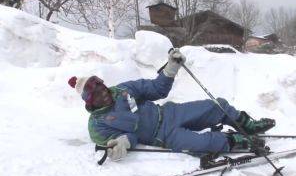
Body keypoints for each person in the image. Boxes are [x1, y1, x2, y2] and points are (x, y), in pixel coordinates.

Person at [68, 49, 275, 161]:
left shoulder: (122, 90)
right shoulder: (97, 125)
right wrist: (121, 143)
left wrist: (171, 68)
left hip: (170, 113)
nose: (104, 93)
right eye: (97, 94)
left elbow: (157, 89)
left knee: (216, 105)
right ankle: (236, 141)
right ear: (90, 101)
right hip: (163, 136)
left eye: (103, 87)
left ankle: (247, 124)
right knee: (203, 144)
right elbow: (128, 137)